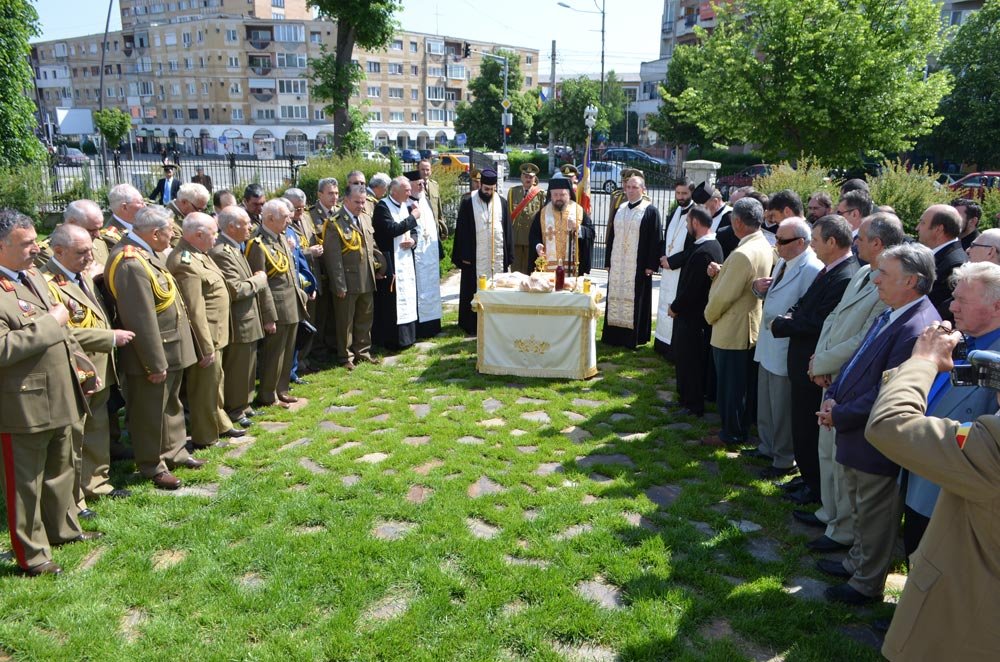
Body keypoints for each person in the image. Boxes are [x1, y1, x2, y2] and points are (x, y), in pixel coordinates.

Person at [865, 320, 1000, 661]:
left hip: (964, 632)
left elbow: (891, 424)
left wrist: (923, 360)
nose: (952, 306)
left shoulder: (994, 446)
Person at [815, 243, 940, 605]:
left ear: (912, 281)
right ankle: (856, 562)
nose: (874, 278)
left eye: (883, 273)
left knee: (875, 514)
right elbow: (858, 360)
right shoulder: (893, 311)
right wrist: (834, 394)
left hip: (875, 439)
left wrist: (838, 412)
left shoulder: (917, 325)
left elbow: (887, 391)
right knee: (858, 505)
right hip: (855, 430)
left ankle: (866, 583)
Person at [0, 209, 100, 576]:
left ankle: (63, 531)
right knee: (25, 484)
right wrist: (51, 322)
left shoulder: (31, 276)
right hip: (21, 404)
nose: (35, 248)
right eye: (26, 243)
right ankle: (32, 555)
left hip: (59, 389)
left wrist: (81, 366)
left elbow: (63, 329)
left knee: (61, 468)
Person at [803, 212, 904, 553]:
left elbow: (864, 338)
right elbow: (834, 318)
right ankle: (829, 514)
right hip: (830, 372)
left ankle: (842, 530)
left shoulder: (888, 283)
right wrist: (819, 358)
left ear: (877, 243)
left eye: (860, 238)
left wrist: (827, 362)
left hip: (848, 377)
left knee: (840, 456)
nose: (854, 243)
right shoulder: (863, 272)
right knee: (826, 452)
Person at [900, 262, 1000, 562]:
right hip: (918, 467)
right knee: (914, 552)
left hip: (950, 491)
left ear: (996, 306)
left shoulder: (995, 361)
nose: (951, 305)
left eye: (962, 301)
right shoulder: (958, 338)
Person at [106, 205, 203, 490]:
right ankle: (152, 465)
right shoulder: (130, 261)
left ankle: (174, 451)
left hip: (169, 346)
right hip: (152, 352)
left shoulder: (146, 254)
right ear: (155, 232)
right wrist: (154, 362)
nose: (174, 235)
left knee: (170, 404)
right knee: (149, 412)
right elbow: (141, 318)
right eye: (171, 230)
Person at [42, 224, 134, 514]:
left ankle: (97, 484)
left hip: (100, 367)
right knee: (74, 440)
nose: (89, 256)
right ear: (58, 251)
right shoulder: (48, 284)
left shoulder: (80, 276)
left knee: (97, 429)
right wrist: (109, 337)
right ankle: (75, 500)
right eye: (81, 252)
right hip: (77, 369)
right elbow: (62, 330)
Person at [771, 215, 859, 503]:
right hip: (801, 362)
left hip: (813, 364)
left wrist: (783, 324)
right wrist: (791, 315)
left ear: (832, 242)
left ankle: (814, 486)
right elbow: (804, 305)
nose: (814, 246)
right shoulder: (828, 270)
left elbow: (818, 322)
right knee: (801, 426)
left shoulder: (844, 275)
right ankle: (807, 477)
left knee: (808, 427)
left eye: (817, 240)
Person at [750, 217, 822, 476]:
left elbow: (805, 312)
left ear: (801, 242)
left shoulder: (812, 268)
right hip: (769, 343)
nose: (776, 244)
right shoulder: (783, 260)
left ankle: (783, 459)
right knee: (767, 403)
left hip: (786, 347)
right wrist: (759, 289)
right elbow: (775, 294)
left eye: (782, 240)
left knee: (781, 408)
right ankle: (766, 446)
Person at [166, 213, 244, 449]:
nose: (216, 237)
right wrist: (204, 346)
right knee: (203, 390)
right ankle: (206, 437)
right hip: (206, 337)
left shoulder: (200, 254)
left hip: (217, 333)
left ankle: (220, 422)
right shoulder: (185, 262)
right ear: (198, 235)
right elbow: (195, 309)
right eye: (213, 233)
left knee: (215, 382)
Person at [702, 197, 774, 446]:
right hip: (748, 326)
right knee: (739, 386)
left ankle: (731, 433)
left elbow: (725, 296)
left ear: (738, 222)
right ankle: (738, 428)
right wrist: (724, 271)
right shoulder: (762, 243)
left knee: (730, 388)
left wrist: (709, 315)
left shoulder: (743, 252)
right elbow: (746, 281)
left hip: (732, 329)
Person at [208, 206, 272, 427]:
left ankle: (245, 404)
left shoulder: (235, 247)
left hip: (248, 316)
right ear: (232, 226)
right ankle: (235, 409)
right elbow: (236, 289)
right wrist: (259, 280)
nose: (250, 227)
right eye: (246, 223)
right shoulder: (220, 252)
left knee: (248, 365)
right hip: (238, 319)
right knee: (238, 368)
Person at [245, 200, 307, 408]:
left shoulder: (280, 237)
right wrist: (268, 315)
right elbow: (262, 283)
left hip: (291, 303)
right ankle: (268, 394)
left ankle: (282, 389)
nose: (289, 219)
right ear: (270, 218)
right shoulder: (258, 243)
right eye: (285, 217)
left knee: (288, 351)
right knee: (274, 354)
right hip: (277, 307)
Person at [667, 205, 723, 416]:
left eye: (688, 222)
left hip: (693, 317)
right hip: (691, 315)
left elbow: (693, 288)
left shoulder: (705, 250)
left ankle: (693, 404)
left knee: (690, 360)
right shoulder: (705, 245)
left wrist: (675, 306)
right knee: (683, 358)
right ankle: (684, 399)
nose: (687, 226)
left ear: (696, 223)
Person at [323, 184, 380, 369]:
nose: (361, 206)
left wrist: (380, 267)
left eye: (363, 202)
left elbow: (371, 248)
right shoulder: (335, 223)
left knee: (365, 317)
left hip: (366, 277)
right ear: (345, 200)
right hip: (347, 280)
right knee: (345, 321)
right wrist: (339, 284)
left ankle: (362, 351)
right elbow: (333, 259)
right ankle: (345, 356)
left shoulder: (364, 217)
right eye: (357, 202)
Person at [602, 174, 662, 349]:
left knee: (636, 299)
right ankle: (613, 336)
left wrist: (651, 265)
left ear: (643, 190)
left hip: (639, 264)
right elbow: (611, 236)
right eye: (627, 187)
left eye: (634, 187)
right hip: (617, 262)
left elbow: (656, 239)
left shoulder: (650, 211)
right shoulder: (619, 209)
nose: (630, 190)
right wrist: (607, 261)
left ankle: (633, 338)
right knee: (615, 295)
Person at [452, 168, 511, 336]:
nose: (489, 192)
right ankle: (471, 325)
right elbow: (462, 231)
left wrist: (508, 255)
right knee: (472, 288)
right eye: (486, 189)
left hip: (496, 256)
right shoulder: (468, 202)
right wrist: (464, 255)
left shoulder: (502, 202)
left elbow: (507, 229)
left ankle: (497, 322)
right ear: (480, 185)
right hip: (473, 257)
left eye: (492, 189)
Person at [373, 175, 421, 348]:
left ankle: (408, 337)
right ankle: (392, 340)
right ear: (395, 191)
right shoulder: (382, 207)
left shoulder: (405, 206)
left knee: (407, 297)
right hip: (391, 261)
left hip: (406, 258)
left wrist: (413, 241)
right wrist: (414, 216)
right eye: (406, 190)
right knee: (391, 303)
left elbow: (413, 231)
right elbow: (391, 229)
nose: (410, 192)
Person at [284, 188, 324, 371]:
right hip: (296, 282)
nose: (300, 212)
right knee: (300, 324)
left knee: (311, 321)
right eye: (296, 209)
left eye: (302, 208)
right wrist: (310, 252)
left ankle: (305, 357)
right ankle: (297, 361)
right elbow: (294, 253)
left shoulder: (305, 218)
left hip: (310, 278)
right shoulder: (283, 226)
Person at [653, 178, 694, 357]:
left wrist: (673, 261)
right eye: (678, 193)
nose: (680, 197)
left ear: (691, 193)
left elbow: (693, 247)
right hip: (668, 267)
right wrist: (663, 257)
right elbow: (666, 238)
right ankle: (662, 343)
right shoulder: (674, 212)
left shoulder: (695, 215)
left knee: (675, 305)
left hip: (681, 270)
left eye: (684, 193)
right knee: (663, 304)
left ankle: (673, 348)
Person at [527, 176, 595, 276]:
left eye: (562, 194)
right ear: (551, 195)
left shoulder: (578, 211)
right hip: (547, 269)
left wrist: (578, 228)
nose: (558, 198)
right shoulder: (543, 213)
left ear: (569, 195)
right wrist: (537, 245)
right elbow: (534, 235)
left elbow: (591, 233)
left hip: (573, 268)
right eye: (555, 195)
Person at [917, 204, 967, 322]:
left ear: (938, 229)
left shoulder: (955, 264)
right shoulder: (940, 255)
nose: (917, 227)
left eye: (922, 223)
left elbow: (936, 308)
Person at [409, 175, 444, 338]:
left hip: (430, 254)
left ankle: (433, 325)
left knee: (432, 288)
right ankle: (421, 328)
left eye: (423, 183)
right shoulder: (407, 204)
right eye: (418, 183)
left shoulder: (425, 200)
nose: (422, 186)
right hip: (416, 256)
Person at [309, 177, 340, 357]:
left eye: (336, 193)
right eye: (330, 193)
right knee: (321, 312)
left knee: (334, 312)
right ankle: (318, 349)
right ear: (320, 194)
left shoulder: (339, 212)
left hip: (337, 269)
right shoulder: (310, 215)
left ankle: (333, 344)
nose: (334, 197)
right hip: (320, 269)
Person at [507, 163, 545, 274]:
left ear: (535, 179)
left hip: (531, 240)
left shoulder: (541, 195)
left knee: (530, 271)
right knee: (516, 271)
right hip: (516, 238)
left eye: (531, 177)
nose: (528, 179)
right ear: (521, 177)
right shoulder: (512, 192)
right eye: (525, 176)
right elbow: (509, 217)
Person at [165, 183, 210, 248]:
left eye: (204, 209)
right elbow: (182, 249)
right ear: (184, 202)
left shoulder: (187, 215)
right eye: (198, 209)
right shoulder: (169, 221)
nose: (200, 213)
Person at [418, 159, 447, 239]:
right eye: (422, 169)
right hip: (421, 228)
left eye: (427, 170)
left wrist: (442, 225)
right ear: (418, 170)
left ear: (431, 171)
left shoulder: (434, 185)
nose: (425, 172)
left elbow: (439, 208)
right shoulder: (413, 186)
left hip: (434, 227)